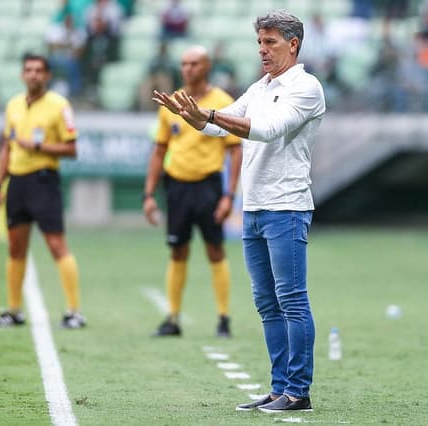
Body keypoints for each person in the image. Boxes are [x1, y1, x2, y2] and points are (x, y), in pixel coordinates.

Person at [153, 10, 325, 412]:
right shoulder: (260, 87)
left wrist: (211, 115)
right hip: (255, 207)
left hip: (287, 206)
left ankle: (298, 391)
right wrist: (194, 117)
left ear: (293, 44)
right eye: (260, 43)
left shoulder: (306, 87)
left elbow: (265, 129)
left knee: (292, 299)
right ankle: (280, 385)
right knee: (267, 302)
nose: (263, 50)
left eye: (271, 43)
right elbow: (222, 126)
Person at [143, 45, 242, 338]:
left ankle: (223, 318)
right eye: (184, 63)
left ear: (207, 67)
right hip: (177, 187)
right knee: (177, 250)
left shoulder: (223, 102)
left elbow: (235, 152)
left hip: (209, 187)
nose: (188, 69)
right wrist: (148, 195)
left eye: (195, 63)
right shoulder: (171, 103)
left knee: (215, 250)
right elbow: (159, 150)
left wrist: (229, 196)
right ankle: (172, 318)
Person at [0, 53, 85, 329]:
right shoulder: (13, 106)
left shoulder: (59, 106)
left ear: (47, 76)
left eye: (38, 70)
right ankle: (14, 310)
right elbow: (8, 147)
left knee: (56, 245)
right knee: (16, 247)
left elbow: (72, 148)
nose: (33, 75)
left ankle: (74, 311)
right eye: (28, 70)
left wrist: (38, 147)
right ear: (22, 75)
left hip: (44, 181)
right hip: (17, 183)